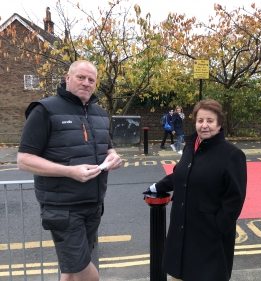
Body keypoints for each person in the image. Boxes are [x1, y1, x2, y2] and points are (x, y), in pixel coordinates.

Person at [17, 60, 122, 281]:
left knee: (71, 270)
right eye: (80, 78)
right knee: (84, 270)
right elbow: (24, 160)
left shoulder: (101, 114)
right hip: (62, 208)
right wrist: (69, 171)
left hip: (93, 204)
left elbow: (107, 147)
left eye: (91, 80)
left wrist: (112, 157)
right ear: (67, 78)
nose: (86, 83)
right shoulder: (44, 110)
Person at [144, 99, 247, 281]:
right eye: (200, 121)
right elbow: (180, 175)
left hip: (209, 238)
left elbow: (234, 200)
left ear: (219, 124)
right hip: (182, 233)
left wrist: (218, 228)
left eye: (210, 121)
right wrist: (155, 187)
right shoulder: (191, 147)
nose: (204, 125)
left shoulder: (232, 155)